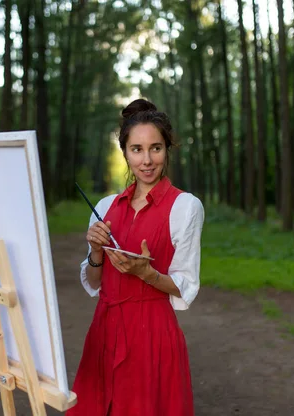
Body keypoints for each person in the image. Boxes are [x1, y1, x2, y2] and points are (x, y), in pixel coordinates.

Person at [67, 98, 204, 416]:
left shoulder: (185, 207)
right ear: (125, 152)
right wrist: (97, 252)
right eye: (137, 149)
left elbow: (186, 285)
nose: (147, 160)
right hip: (104, 329)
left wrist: (147, 274)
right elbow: (93, 281)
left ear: (167, 149)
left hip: (153, 335)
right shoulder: (103, 207)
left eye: (155, 148)